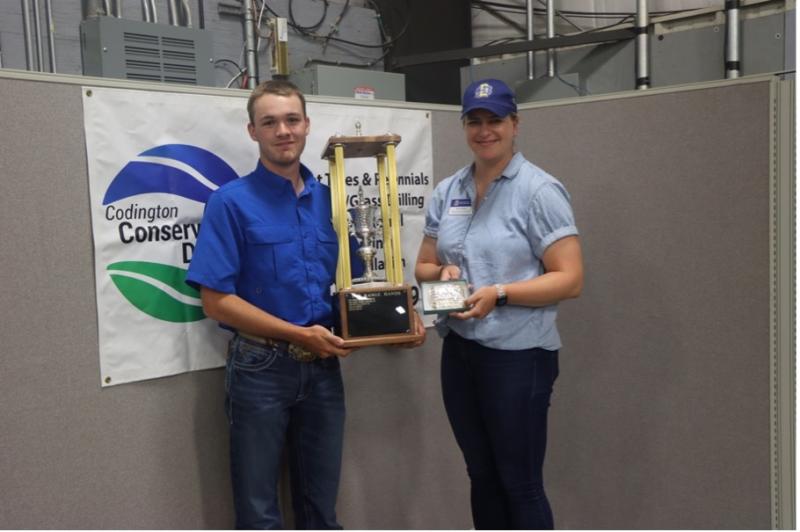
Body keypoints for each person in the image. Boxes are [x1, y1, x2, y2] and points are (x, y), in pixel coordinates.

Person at [187, 79, 424, 529]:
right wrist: (297, 334)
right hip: (260, 369)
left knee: (321, 510)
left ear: (307, 125)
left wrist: (400, 320)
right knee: (259, 513)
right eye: (269, 122)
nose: (283, 131)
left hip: (323, 371)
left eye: (292, 120)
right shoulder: (230, 203)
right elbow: (215, 301)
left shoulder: (332, 204)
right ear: (253, 131)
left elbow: (359, 286)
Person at [415, 78, 583, 530]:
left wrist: (501, 293)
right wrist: (442, 272)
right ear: (464, 126)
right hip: (461, 351)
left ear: (515, 124)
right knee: (482, 476)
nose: (484, 131)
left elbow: (570, 279)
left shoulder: (539, 191)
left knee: (519, 483)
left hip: (518, 356)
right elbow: (424, 265)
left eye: (495, 120)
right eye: (474, 121)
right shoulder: (449, 190)